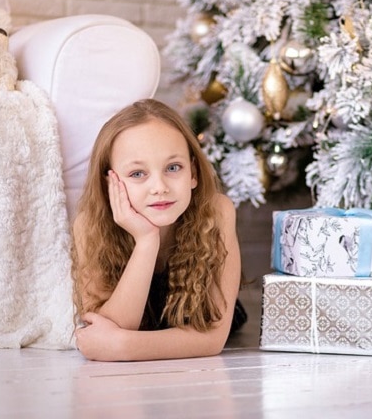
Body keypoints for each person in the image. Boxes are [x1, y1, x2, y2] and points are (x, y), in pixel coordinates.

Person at [71, 99, 246, 361]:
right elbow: (105, 330)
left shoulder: (217, 211)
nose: (159, 186)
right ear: (110, 183)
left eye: (173, 168)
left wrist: (123, 346)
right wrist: (146, 240)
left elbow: (211, 337)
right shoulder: (89, 225)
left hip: (197, 316)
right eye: (138, 174)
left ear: (193, 173)